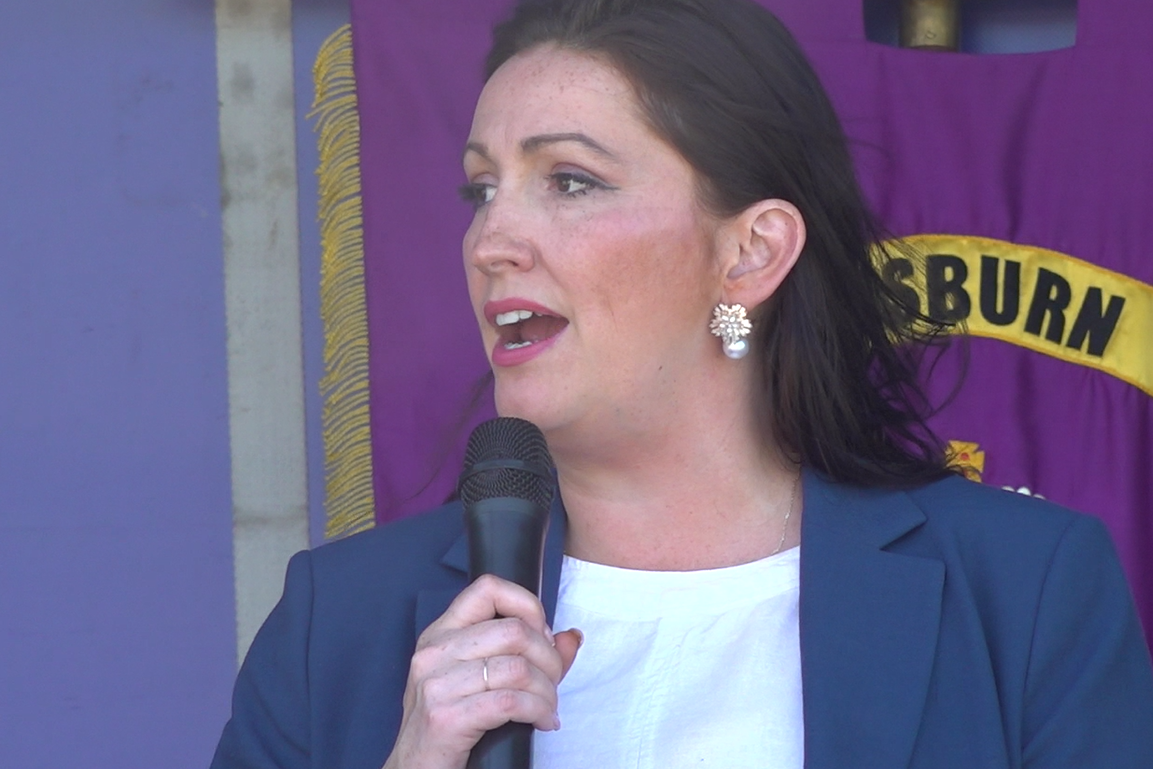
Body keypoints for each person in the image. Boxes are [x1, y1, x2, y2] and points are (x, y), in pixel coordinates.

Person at [211, 0, 1153, 767]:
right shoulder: (337, 622)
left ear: (750, 252)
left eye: (569, 181)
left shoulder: (1023, 590)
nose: (492, 240)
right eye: (480, 188)